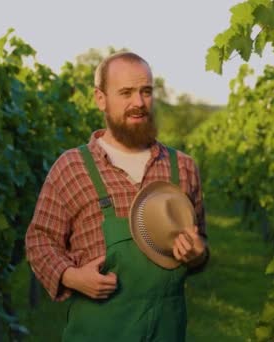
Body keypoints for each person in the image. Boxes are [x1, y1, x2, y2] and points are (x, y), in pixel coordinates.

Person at [25, 51, 208, 341]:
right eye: (126, 93)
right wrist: (71, 277)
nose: (138, 103)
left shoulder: (182, 168)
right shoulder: (72, 168)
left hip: (167, 331)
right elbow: (39, 241)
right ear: (101, 98)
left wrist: (198, 254)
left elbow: (200, 246)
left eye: (145, 92)